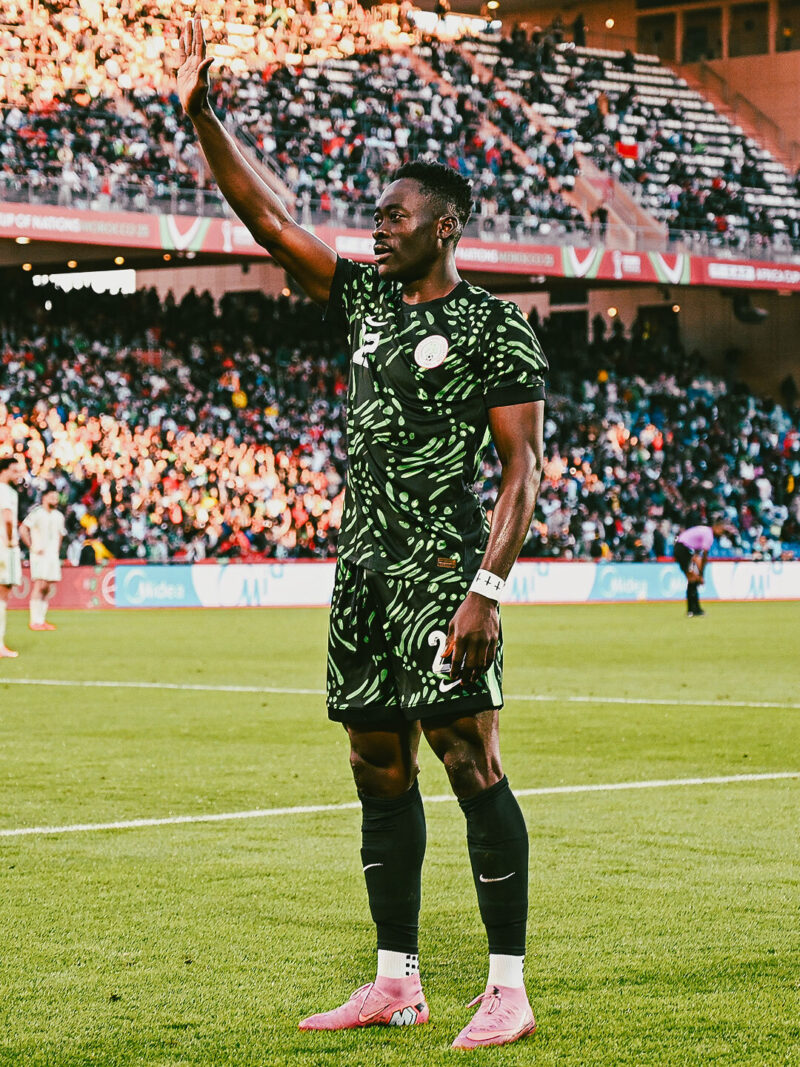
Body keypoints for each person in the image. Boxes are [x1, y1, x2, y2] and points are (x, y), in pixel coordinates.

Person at [175, 18, 547, 1049]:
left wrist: (485, 591)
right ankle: (396, 980)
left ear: (444, 227)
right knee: (376, 764)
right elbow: (268, 221)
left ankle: (507, 988)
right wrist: (206, 120)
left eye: (395, 216)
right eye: (375, 216)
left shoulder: (493, 326)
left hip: (442, 573)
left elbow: (523, 471)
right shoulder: (365, 300)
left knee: (468, 758)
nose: (377, 229)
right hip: (364, 576)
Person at [20, 487, 66, 632]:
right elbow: (23, 529)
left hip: (52, 555)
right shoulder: (37, 513)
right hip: (39, 554)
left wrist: (57, 550)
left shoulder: (59, 516)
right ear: (44, 497)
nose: (55, 500)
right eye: (52, 497)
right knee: (40, 585)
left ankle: (41, 619)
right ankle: (34, 620)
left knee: (47, 587)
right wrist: (31, 546)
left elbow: (60, 534)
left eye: (56, 497)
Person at [673, 518, 725, 617]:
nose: (721, 532)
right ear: (716, 527)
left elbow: (696, 557)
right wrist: (701, 575)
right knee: (692, 579)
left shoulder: (704, 531)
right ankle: (693, 610)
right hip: (683, 549)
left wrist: (700, 575)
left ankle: (694, 609)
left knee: (693, 580)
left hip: (681, 548)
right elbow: (704, 557)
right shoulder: (709, 535)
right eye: (721, 529)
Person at [0, 456, 25, 658]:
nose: (18, 475)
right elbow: (8, 518)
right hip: (4, 546)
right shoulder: (4, 491)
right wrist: (9, 540)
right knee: (3, 592)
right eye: (15, 471)